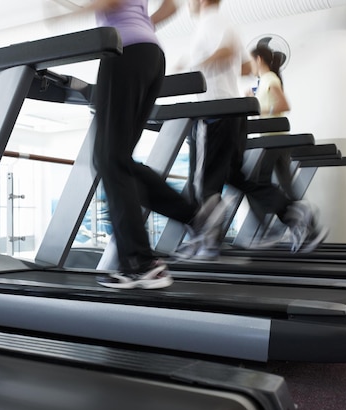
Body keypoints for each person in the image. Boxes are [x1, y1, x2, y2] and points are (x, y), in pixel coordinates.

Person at [73, 0, 228, 289]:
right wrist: (144, 23)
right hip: (150, 54)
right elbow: (171, 5)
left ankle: (141, 264)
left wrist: (71, 13)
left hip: (124, 51)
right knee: (117, 160)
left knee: (110, 160)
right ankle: (193, 216)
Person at [175, 0, 327, 259]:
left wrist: (194, 65)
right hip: (234, 115)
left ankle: (205, 240)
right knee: (236, 177)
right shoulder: (223, 24)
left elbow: (226, 52)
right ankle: (293, 212)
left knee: (202, 181)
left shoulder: (208, 22)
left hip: (214, 112)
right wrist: (222, 65)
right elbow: (245, 67)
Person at [249, 44, 297, 201]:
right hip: (272, 139)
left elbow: (284, 105)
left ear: (258, 59)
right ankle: (307, 222)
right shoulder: (263, 81)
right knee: (286, 185)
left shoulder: (270, 78)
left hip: (275, 139)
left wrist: (259, 109)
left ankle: (286, 213)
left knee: (259, 180)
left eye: (251, 61)